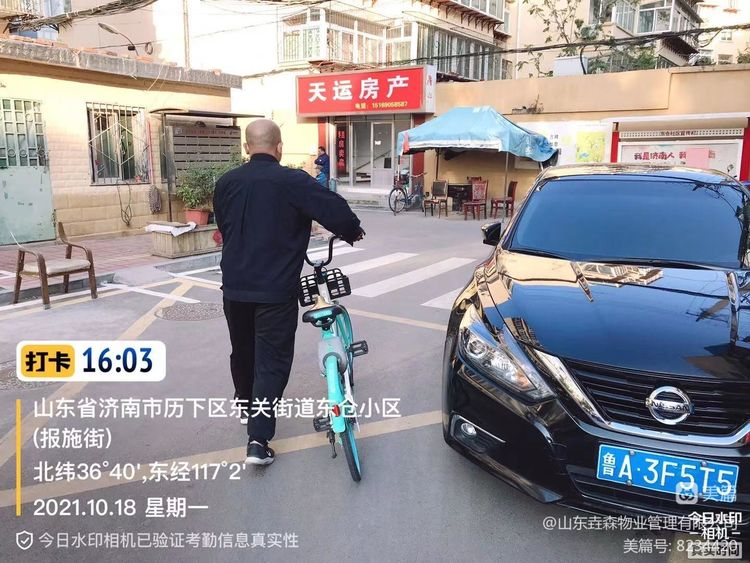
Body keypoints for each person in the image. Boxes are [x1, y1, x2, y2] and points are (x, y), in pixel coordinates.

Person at [213, 119, 364, 466]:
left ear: (247, 147)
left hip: (234, 287)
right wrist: (352, 230)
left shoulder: (227, 182)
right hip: (275, 290)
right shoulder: (292, 180)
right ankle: (258, 441)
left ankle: (247, 406)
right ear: (279, 148)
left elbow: (225, 225)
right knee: (272, 361)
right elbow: (332, 209)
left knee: (243, 351)